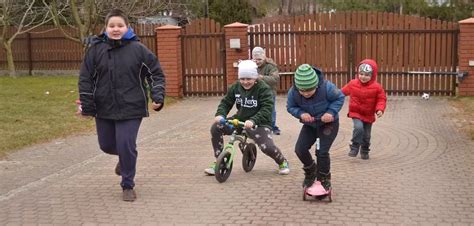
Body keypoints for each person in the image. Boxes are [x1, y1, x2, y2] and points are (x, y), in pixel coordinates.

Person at [78, 9, 165, 202]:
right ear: (106, 28)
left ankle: (127, 185)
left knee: (126, 143)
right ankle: (125, 158)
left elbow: (155, 73)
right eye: (112, 26)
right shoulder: (95, 50)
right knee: (107, 145)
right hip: (104, 107)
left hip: (131, 106)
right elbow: (86, 79)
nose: (116, 29)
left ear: (127, 27)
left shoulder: (139, 50)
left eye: (120, 25)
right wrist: (87, 103)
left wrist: (157, 95)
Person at [204, 60, 290, 176]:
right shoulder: (236, 87)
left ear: (255, 78)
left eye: (249, 79)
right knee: (216, 127)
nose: (245, 82)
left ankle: (282, 161)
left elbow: (267, 108)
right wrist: (220, 114)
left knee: (267, 147)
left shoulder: (263, 89)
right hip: (240, 120)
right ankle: (219, 160)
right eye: (242, 79)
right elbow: (226, 102)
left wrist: (254, 120)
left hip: (260, 123)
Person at [287, 64, 344, 190]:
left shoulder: (327, 88)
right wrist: (301, 114)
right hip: (310, 125)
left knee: (321, 152)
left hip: (328, 124)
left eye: (309, 90)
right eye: (302, 90)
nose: (306, 93)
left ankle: (324, 177)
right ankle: (311, 170)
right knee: (300, 149)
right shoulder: (294, 92)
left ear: (316, 85)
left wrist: (330, 112)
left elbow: (339, 97)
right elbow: (290, 107)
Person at [341, 59, 387, 160]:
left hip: (368, 114)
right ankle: (354, 146)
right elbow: (342, 92)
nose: (363, 77)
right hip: (355, 112)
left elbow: (381, 99)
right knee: (358, 128)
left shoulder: (377, 87)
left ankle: (365, 150)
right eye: (361, 74)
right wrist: (332, 96)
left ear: (372, 76)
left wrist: (380, 109)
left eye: (367, 75)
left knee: (366, 136)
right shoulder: (353, 84)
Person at [252, 47, 281, 135]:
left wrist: (261, 77)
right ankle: (258, 125)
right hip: (256, 93)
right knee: (256, 110)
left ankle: (272, 127)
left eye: (259, 59)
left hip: (269, 93)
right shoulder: (251, 66)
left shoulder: (271, 66)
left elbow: (275, 79)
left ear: (264, 58)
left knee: (270, 110)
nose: (257, 61)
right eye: (255, 59)